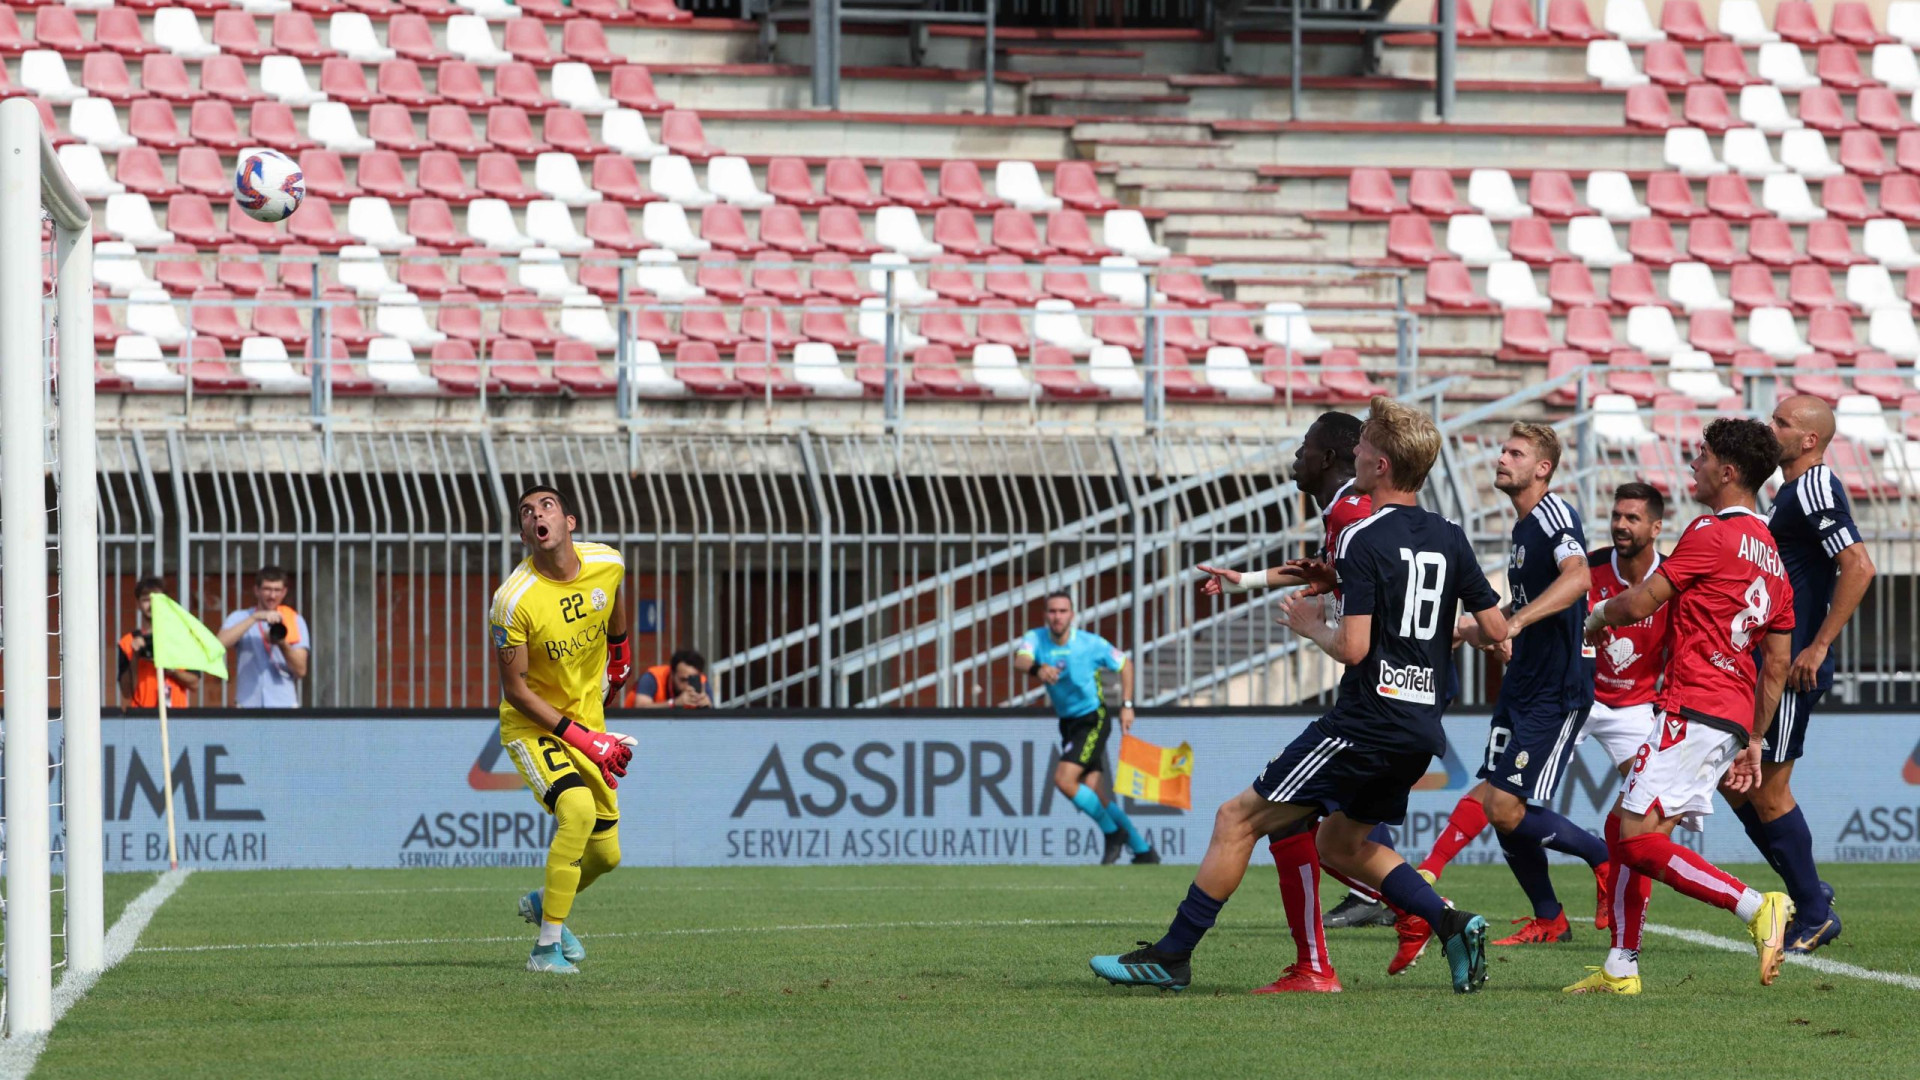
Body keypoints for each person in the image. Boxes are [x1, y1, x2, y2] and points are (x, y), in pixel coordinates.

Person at [1090, 396, 1505, 995]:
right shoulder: (1451, 535)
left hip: (1366, 718)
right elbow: (1493, 630)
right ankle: (1450, 923)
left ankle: (1173, 955)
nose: (1356, 451)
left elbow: (1355, 648)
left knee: (1236, 818)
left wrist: (1314, 627)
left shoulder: (1362, 533)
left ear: (1381, 464)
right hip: (1420, 727)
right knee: (1340, 843)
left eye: (1364, 445)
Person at [1567, 418, 1795, 994]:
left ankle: (1753, 906)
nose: (1693, 465)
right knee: (1622, 829)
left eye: (1702, 456)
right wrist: (1754, 738)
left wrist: (1595, 617)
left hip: (1693, 705)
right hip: (1729, 712)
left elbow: (1644, 599)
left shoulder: (1709, 531)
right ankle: (1621, 968)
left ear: (1728, 471)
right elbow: (1775, 666)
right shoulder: (1773, 556)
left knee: (1638, 839)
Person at [1195, 411, 1400, 930]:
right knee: (1327, 819)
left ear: (1328, 457)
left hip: (1385, 681)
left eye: (1304, 447)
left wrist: (1322, 625)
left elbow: (1379, 587)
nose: (1296, 456)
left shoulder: (1354, 511)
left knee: (1285, 817)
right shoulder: (1345, 512)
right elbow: (1330, 566)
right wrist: (1242, 579)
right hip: (1384, 682)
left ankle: (1420, 911)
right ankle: (1401, 913)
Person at [1414, 423, 1610, 950]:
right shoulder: (1523, 529)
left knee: (1501, 804)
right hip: (1523, 689)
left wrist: (1515, 626)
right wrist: (1461, 629)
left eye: (1515, 453)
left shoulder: (1553, 514)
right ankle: (1549, 916)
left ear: (1542, 468)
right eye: (1502, 450)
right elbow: (1509, 615)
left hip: (1556, 689)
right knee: (1499, 808)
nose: (1502, 459)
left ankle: (1601, 855)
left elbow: (1578, 578)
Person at [1725, 395, 1875, 955]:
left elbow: (1858, 565)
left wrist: (1817, 646)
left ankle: (1812, 912)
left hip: (1791, 668)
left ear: (1808, 440)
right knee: (1737, 783)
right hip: (1769, 663)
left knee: (1765, 787)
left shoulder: (1813, 486)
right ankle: (1808, 889)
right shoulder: (1789, 493)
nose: (1772, 427)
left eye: (1781, 422)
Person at [490, 484, 634, 975]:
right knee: (574, 810)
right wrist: (584, 740)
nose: (536, 515)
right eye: (526, 513)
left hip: (588, 717)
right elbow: (517, 692)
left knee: (607, 855)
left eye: (546, 506)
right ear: (525, 533)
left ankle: (543, 901)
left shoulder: (607, 563)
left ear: (570, 522)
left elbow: (613, 598)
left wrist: (620, 656)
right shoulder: (512, 601)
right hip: (534, 726)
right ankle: (544, 951)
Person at [1013, 591, 1158, 866]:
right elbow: (1019, 660)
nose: (1057, 617)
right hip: (1067, 721)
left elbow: (1125, 663)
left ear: (1072, 615)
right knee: (1095, 792)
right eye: (1052, 611)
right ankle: (1143, 850)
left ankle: (1112, 834)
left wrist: (1127, 704)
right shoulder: (1036, 638)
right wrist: (1038, 669)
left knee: (1064, 780)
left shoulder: (1090, 644)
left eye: (1063, 611)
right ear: (1046, 615)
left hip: (1092, 718)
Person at [1580, 483, 1669, 778]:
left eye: (1632, 518)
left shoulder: (1673, 580)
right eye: (1616, 516)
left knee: (1653, 796)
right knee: (1512, 787)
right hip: (1578, 697)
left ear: (1656, 528)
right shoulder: (1586, 568)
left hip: (1635, 707)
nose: (1620, 525)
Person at [216, 565, 310, 708]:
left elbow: (301, 670)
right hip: (248, 703)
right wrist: (254, 618)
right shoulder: (240, 617)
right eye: (267, 589)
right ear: (257, 590)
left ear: (284, 592)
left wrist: (281, 643)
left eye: (277, 590)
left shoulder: (294, 619)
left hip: (283, 702)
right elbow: (218, 643)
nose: (272, 596)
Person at [117, 576, 202, 708]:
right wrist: (135, 657)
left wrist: (172, 670)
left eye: (156, 600)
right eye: (146, 600)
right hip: (142, 715)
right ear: (138, 604)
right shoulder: (127, 642)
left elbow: (195, 683)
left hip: (176, 715)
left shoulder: (181, 638)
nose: (151, 605)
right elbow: (127, 692)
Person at [623, 648, 713, 709]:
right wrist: (674, 703)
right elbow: (640, 706)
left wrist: (706, 705)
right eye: (683, 680)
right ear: (672, 673)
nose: (687, 686)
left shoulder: (702, 681)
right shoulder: (652, 677)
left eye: (692, 680)